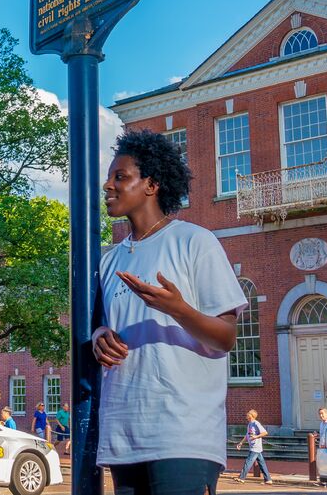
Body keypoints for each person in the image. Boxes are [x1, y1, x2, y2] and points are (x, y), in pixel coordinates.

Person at [92, 130, 248, 495]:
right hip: (124, 435)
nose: (108, 185)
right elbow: (103, 324)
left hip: (183, 436)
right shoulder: (110, 259)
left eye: (121, 177)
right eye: (110, 177)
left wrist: (177, 309)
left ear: (152, 185)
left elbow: (226, 337)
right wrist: (100, 337)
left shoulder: (195, 241)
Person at [235, 410, 273, 484]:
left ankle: (242, 478)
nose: (246, 415)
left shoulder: (256, 423)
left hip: (255, 447)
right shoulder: (249, 424)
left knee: (248, 462)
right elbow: (247, 435)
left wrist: (256, 437)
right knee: (262, 463)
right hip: (254, 446)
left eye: (248, 414)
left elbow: (265, 432)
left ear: (251, 415)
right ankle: (268, 479)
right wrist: (241, 443)